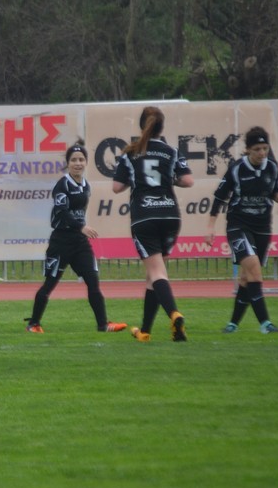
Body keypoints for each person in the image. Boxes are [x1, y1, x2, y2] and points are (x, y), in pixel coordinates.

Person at [25, 141, 128, 334]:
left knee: (93, 281)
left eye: (81, 159)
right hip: (61, 242)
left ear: (86, 162)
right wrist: (81, 226)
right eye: (73, 160)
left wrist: (81, 228)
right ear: (68, 163)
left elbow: (80, 211)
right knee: (49, 284)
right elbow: (62, 212)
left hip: (79, 242)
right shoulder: (62, 185)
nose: (78, 163)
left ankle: (103, 324)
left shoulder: (86, 185)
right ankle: (34, 324)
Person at [112, 106, 194, 342]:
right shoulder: (171, 151)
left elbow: (116, 187)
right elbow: (188, 180)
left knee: (156, 273)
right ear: (162, 128)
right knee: (154, 276)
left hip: (145, 216)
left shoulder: (131, 153)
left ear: (142, 126)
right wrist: (169, 180)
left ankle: (174, 314)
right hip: (170, 215)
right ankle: (145, 331)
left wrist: (135, 179)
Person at [205, 126, 278, 334]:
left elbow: (276, 191)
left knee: (246, 278)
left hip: (262, 227)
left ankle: (233, 324)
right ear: (248, 150)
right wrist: (210, 226)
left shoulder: (272, 167)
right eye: (257, 149)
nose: (262, 153)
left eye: (265, 148)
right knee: (254, 270)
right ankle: (265, 324)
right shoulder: (237, 168)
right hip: (238, 226)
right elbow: (219, 197)